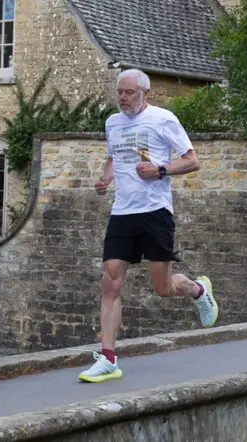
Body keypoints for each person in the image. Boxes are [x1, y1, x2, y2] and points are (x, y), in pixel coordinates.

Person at [78, 69, 219, 383]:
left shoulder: (163, 119)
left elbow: (192, 160)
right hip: (122, 212)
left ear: (146, 93)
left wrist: (160, 170)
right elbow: (114, 158)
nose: (123, 98)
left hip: (155, 211)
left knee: (163, 287)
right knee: (110, 283)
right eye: (120, 92)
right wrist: (104, 179)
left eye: (129, 92)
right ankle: (108, 358)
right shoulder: (112, 123)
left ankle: (197, 290)